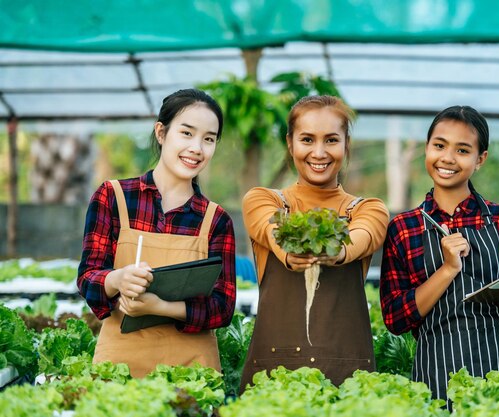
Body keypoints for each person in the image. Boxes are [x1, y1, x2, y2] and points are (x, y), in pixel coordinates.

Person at [379, 105, 499, 404]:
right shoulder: (404, 228)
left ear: (480, 159)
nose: (447, 158)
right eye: (439, 145)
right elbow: (395, 319)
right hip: (439, 377)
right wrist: (447, 269)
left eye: (463, 150)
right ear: (427, 148)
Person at [77, 88, 236, 377]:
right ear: (161, 133)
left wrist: (162, 306)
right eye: (187, 133)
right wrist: (118, 279)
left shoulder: (216, 220)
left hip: (192, 373)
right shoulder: (113, 197)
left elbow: (223, 308)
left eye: (209, 139)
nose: (197, 148)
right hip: (120, 366)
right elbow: (88, 278)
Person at [239, 95, 389, 391]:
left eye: (331, 140)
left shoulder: (368, 209)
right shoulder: (264, 200)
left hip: (345, 377)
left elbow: (364, 236)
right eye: (307, 139)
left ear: (346, 145)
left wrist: (337, 252)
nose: (319, 152)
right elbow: (270, 230)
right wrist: (289, 252)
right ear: (290, 143)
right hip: (273, 375)